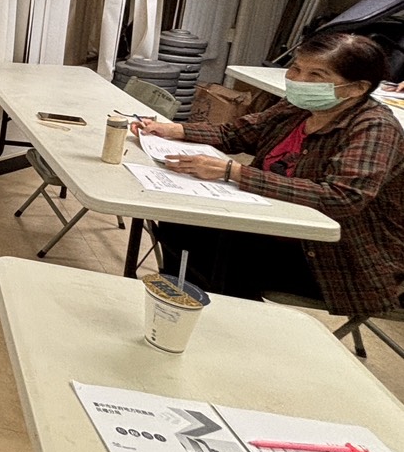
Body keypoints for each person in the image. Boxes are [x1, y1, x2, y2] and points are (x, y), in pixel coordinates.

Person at [134, 32, 404, 316]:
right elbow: (236, 134)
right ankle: (180, 310)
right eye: (296, 68)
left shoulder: (374, 128)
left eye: (316, 75)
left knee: (222, 250)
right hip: (273, 226)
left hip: (333, 257)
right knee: (182, 222)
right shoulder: (298, 107)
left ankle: (221, 322)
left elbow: (342, 197)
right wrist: (174, 130)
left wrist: (234, 172)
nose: (299, 80)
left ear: (357, 88)